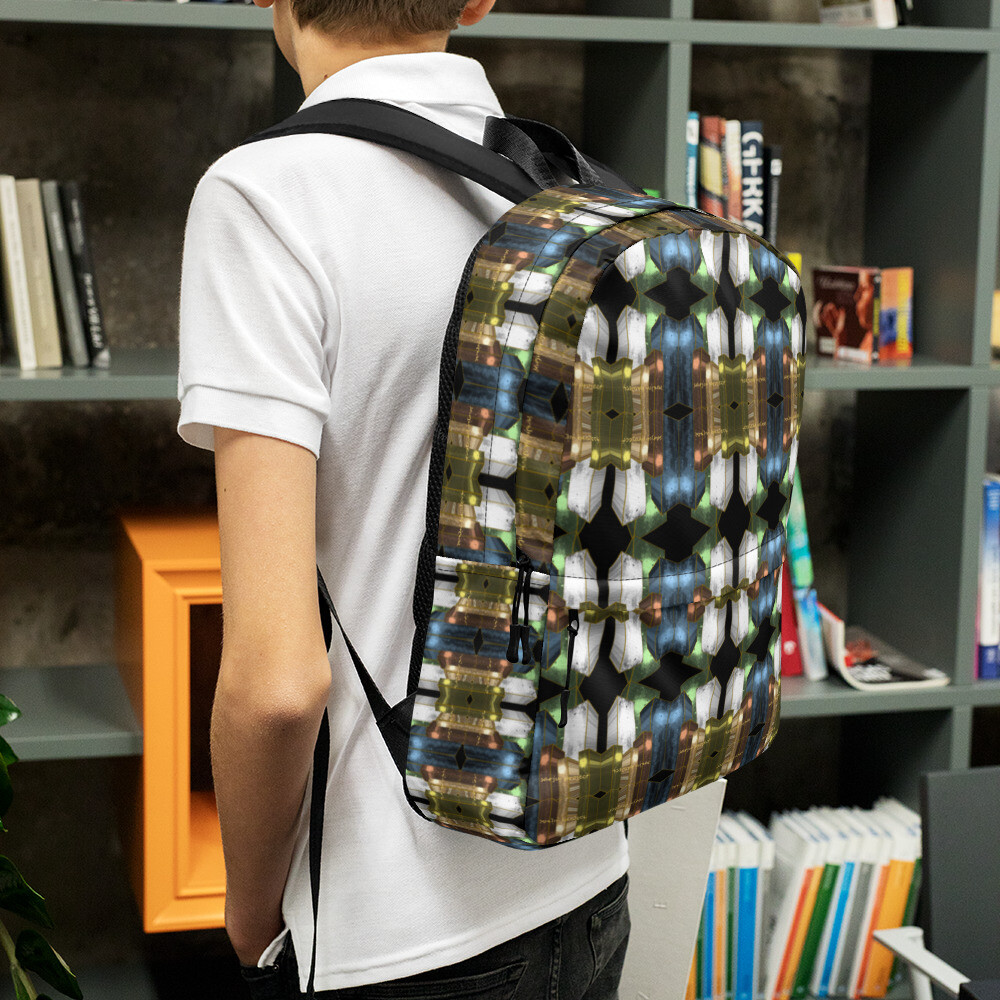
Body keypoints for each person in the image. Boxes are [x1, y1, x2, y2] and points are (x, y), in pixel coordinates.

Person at [176, 0, 630, 997]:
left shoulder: (266, 196)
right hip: (589, 874)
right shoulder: (571, 193)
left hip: (399, 930)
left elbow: (276, 683)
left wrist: (250, 915)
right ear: (478, 0)